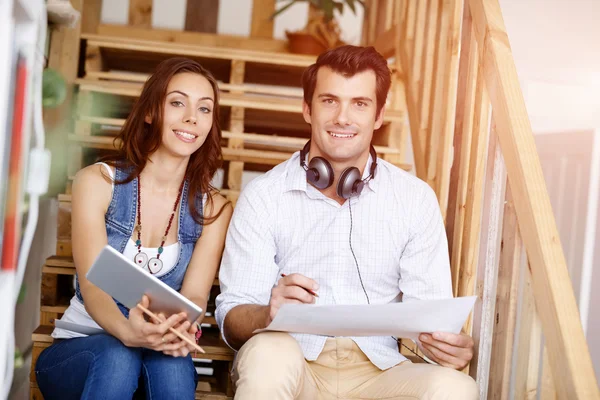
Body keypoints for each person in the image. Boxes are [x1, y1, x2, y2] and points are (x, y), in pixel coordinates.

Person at [215, 45, 478, 399]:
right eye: (329, 101)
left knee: (455, 388)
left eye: (360, 103)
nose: (343, 117)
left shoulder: (414, 199)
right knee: (267, 355)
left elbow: (430, 319)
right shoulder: (263, 196)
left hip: (379, 373)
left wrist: (448, 348)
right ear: (307, 109)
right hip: (292, 362)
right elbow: (232, 319)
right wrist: (267, 314)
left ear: (379, 115)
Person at [35, 57, 233, 400]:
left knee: (171, 368)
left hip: (158, 349)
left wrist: (179, 327)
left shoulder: (214, 208)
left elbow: (196, 296)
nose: (191, 118)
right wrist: (128, 331)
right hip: (81, 351)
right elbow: (95, 285)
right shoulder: (96, 182)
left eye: (204, 109)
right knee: (119, 356)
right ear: (150, 112)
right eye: (177, 103)